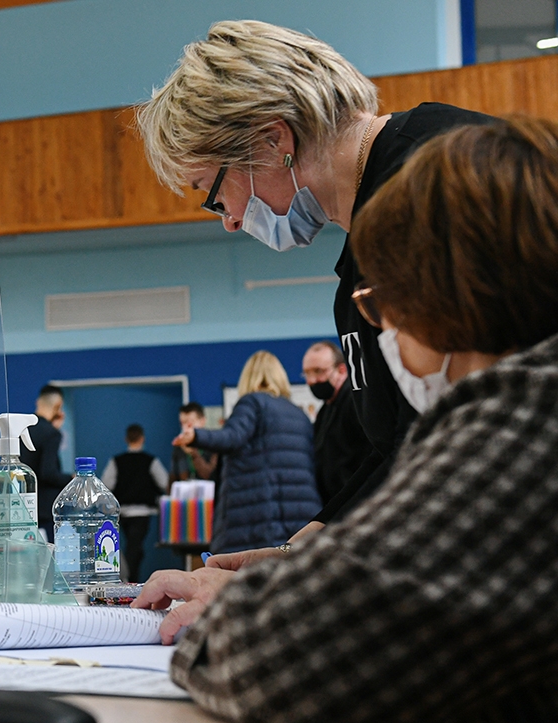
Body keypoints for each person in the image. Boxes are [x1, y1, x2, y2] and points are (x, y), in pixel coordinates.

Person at [135, 117, 558, 721]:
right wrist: (294, 566)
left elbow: (275, 663)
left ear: (444, 297)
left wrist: (235, 609)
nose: (383, 331)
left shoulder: (519, 425)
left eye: (382, 302)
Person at [136, 19, 497, 546]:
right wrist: (299, 551)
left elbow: (470, 441)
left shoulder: (443, 177)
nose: (229, 220)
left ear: (272, 140)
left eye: (212, 192)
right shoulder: (362, 249)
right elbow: (404, 449)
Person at [172, 351, 322, 554]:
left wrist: (196, 436)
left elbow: (231, 437)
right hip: (300, 521)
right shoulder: (299, 415)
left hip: (258, 519)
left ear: (248, 377)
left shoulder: (252, 403)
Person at [303, 340, 373, 503]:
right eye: (307, 373)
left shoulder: (356, 403)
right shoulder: (326, 410)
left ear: (341, 370)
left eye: (318, 371)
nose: (312, 380)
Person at [100, 424, 168, 583]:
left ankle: (129, 579)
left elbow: (106, 484)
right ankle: (130, 580)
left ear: (126, 439)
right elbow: (164, 482)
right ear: (142, 438)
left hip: (122, 512)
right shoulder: (150, 461)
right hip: (143, 513)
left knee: (132, 547)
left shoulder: (117, 461)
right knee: (134, 548)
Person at [19, 384, 69, 540]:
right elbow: (48, 472)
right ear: (58, 406)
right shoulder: (51, 434)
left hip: (23, 505)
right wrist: (71, 479)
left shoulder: (22, 429)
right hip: (45, 508)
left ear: (38, 402)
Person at [169, 402, 218, 484]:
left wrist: (193, 454)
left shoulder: (214, 444)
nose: (185, 428)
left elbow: (209, 476)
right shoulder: (179, 447)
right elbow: (173, 479)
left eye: (190, 423)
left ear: (202, 421)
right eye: (182, 423)